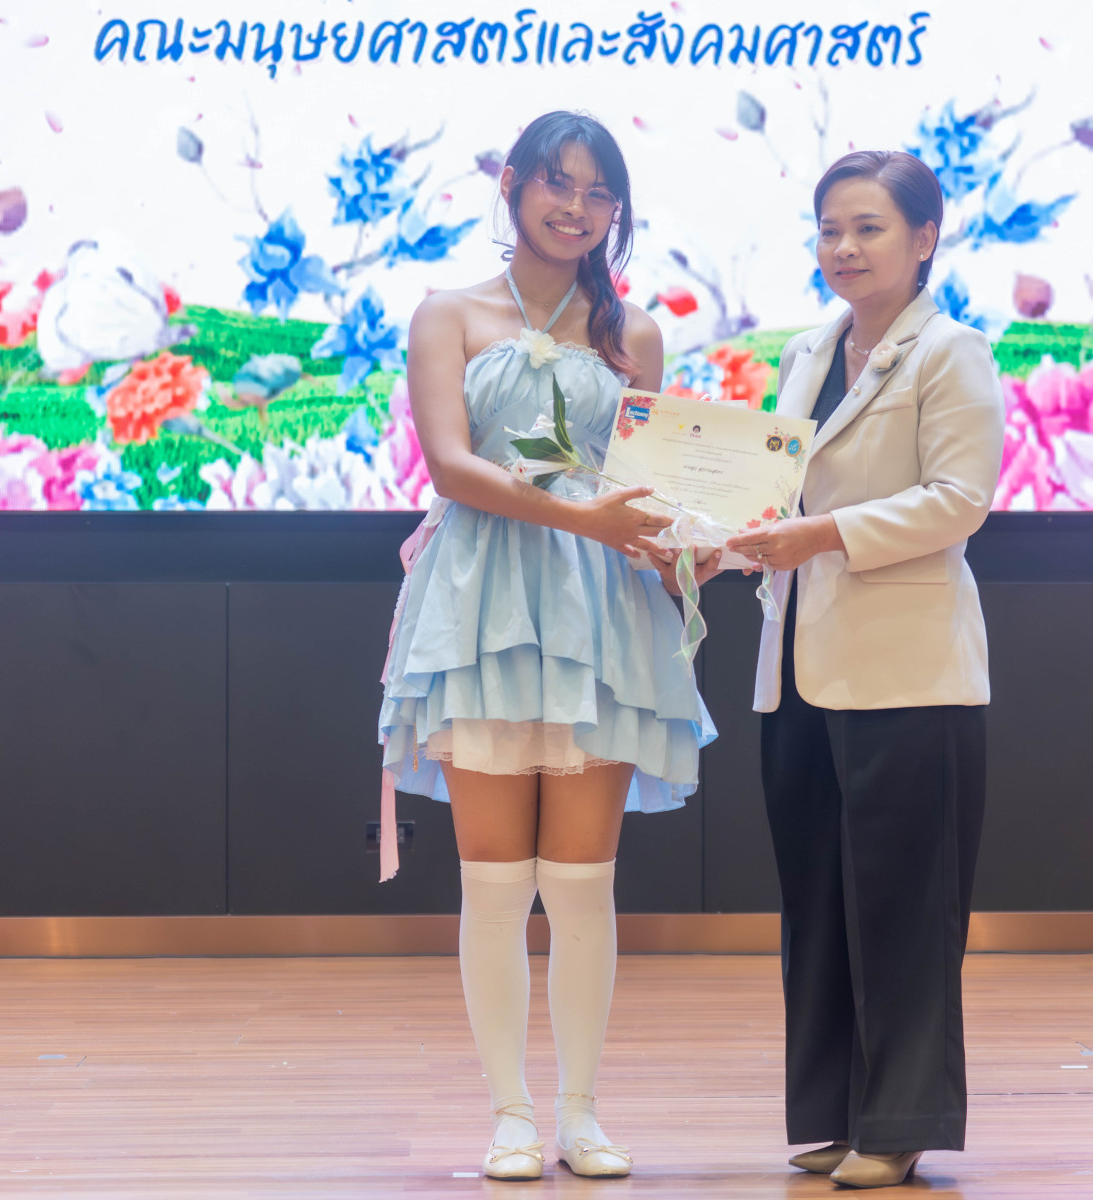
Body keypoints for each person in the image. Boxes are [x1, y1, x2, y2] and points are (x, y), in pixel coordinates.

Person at [378, 110, 713, 1181]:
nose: (576, 207)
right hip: (479, 606)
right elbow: (450, 465)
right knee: (492, 885)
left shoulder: (635, 334)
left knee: (581, 885)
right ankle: (510, 1114)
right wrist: (585, 518)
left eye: (598, 192)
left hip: (599, 613)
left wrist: (692, 543)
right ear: (513, 184)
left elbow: (647, 486)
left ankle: (581, 1112)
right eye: (558, 184)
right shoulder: (448, 314)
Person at [722, 150, 1005, 1189]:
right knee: (817, 900)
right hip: (797, 665)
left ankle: (899, 1123)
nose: (843, 247)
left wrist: (822, 534)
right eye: (830, 229)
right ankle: (831, 1112)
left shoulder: (952, 352)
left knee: (903, 907)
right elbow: (772, 493)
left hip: (909, 673)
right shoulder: (807, 350)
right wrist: (718, 539)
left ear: (925, 239)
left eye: (869, 228)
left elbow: (959, 501)